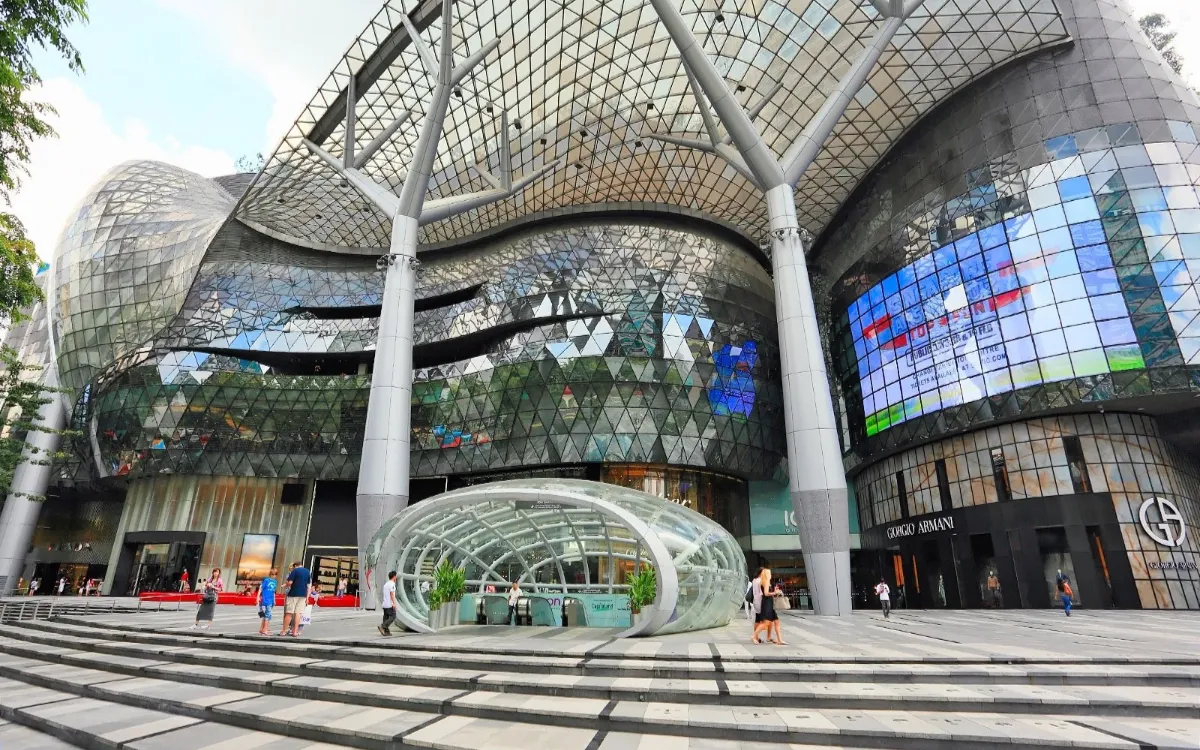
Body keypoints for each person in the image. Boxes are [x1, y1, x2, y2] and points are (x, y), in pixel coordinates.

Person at [750, 568, 784, 645]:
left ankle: (777, 639)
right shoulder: (762, 580)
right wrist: (775, 592)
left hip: (760, 601)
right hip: (763, 602)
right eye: (769, 573)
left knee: (773, 621)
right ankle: (755, 636)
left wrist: (773, 591)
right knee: (766, 621)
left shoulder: (755, 580)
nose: (770, 574)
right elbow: (765, 593)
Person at [279, 561, 311, 637]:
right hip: (303, 595)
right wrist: (307, 598)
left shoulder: (295, 570)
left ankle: (284, 631)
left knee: (289, 613)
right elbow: (308, 586)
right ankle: (295, 632)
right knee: (298, 613)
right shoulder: (307, 571)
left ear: (295, 566)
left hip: (293, 594)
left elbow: (290, 582)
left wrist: (285, 585)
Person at [257, 568, 278, 636]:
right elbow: (261, 588)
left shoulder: (275, 582)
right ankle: (265, 630)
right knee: (268, 615)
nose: (273, 576)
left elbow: (273, 592)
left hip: (271, 600)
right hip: (266, 600)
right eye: (272, 574)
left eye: (275, 575)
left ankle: (262, 629)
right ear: (270, 574)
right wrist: (258, 597)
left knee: (266, 615)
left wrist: (274, 600)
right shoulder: (266, 580)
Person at [378, 570, 398, 636]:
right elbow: (392, 594)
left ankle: (386, 632)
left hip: (384, 604)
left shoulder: (386, 584)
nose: (396, 578)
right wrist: (394, 603)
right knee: (393, 616)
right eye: (396, 576)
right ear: (394, 577)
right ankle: (383, 626)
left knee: (386, 617)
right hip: (389, 604)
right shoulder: (392, 584)